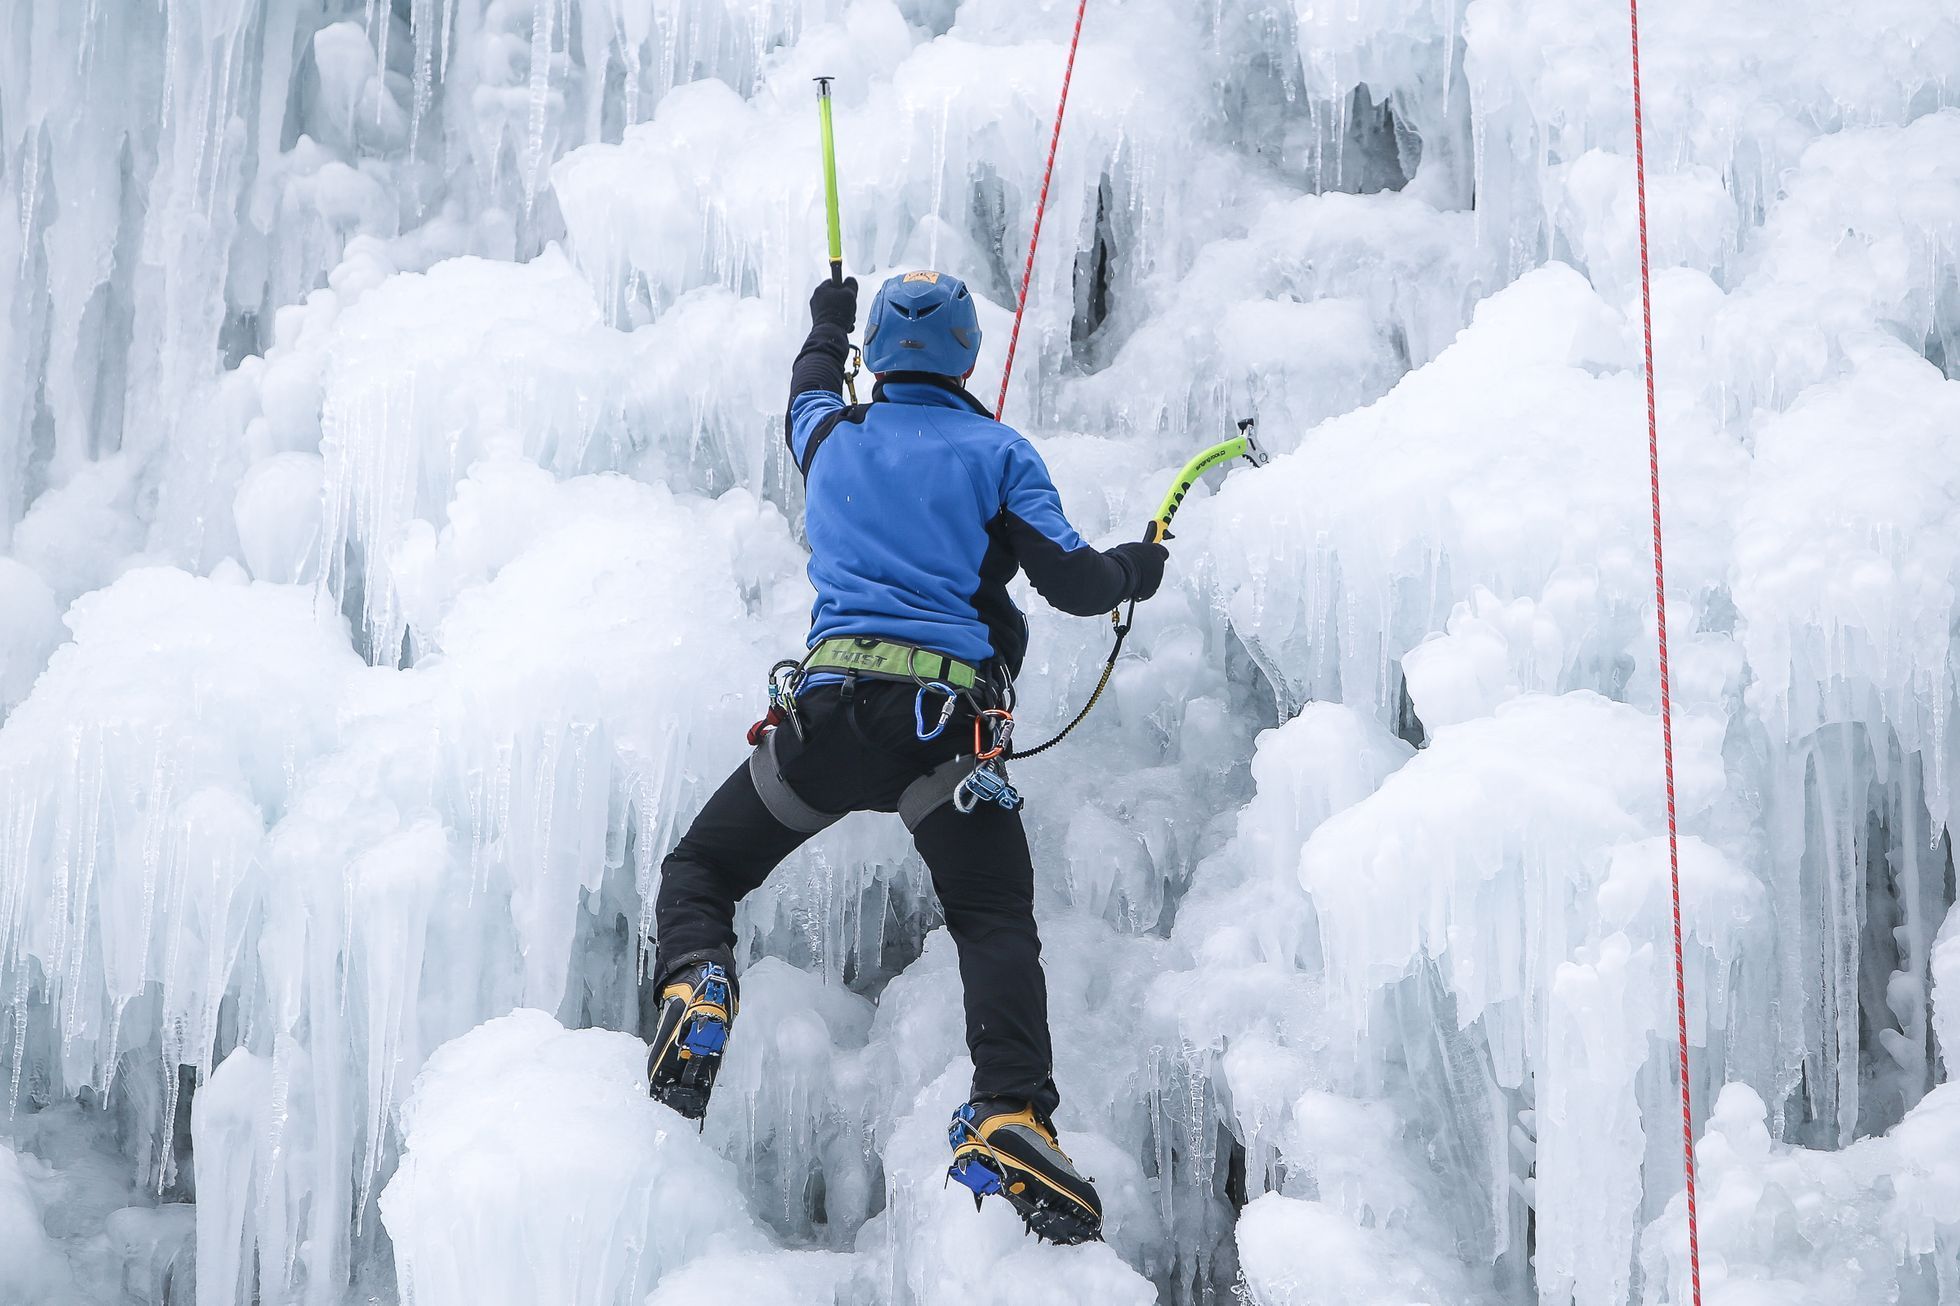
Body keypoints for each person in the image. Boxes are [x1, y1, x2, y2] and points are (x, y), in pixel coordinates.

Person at [645, 268, 1167, 1245]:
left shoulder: (830, 434)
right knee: (991, 920)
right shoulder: (999, 452)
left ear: (876, 356)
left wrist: (826, 319)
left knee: (702, 869)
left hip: (826, 722)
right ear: (968, 356)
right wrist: (1138, 564)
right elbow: (1079, 585)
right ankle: (1010, 1107)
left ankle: (698, 981)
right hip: (942, 734)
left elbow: (806, 385)